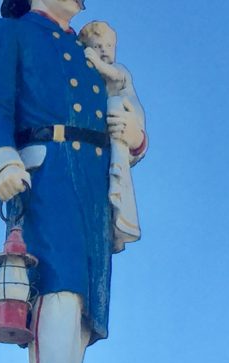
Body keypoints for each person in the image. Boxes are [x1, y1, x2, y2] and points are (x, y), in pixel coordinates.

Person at [0, 0, 148, 363]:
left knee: (84, 302)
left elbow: (120, 117)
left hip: (93, 181)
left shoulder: (92, 53)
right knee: (59, 287)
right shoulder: (9, 32)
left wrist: (136, 133)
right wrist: (2, 160)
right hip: (45, 172)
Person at [79, 20, 147, 250]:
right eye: (98, 46)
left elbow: (115, 76)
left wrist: (95, 60)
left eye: (109, 46)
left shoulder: (116, 69)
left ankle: (121, 213)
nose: (105, 51)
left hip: (125, 119)